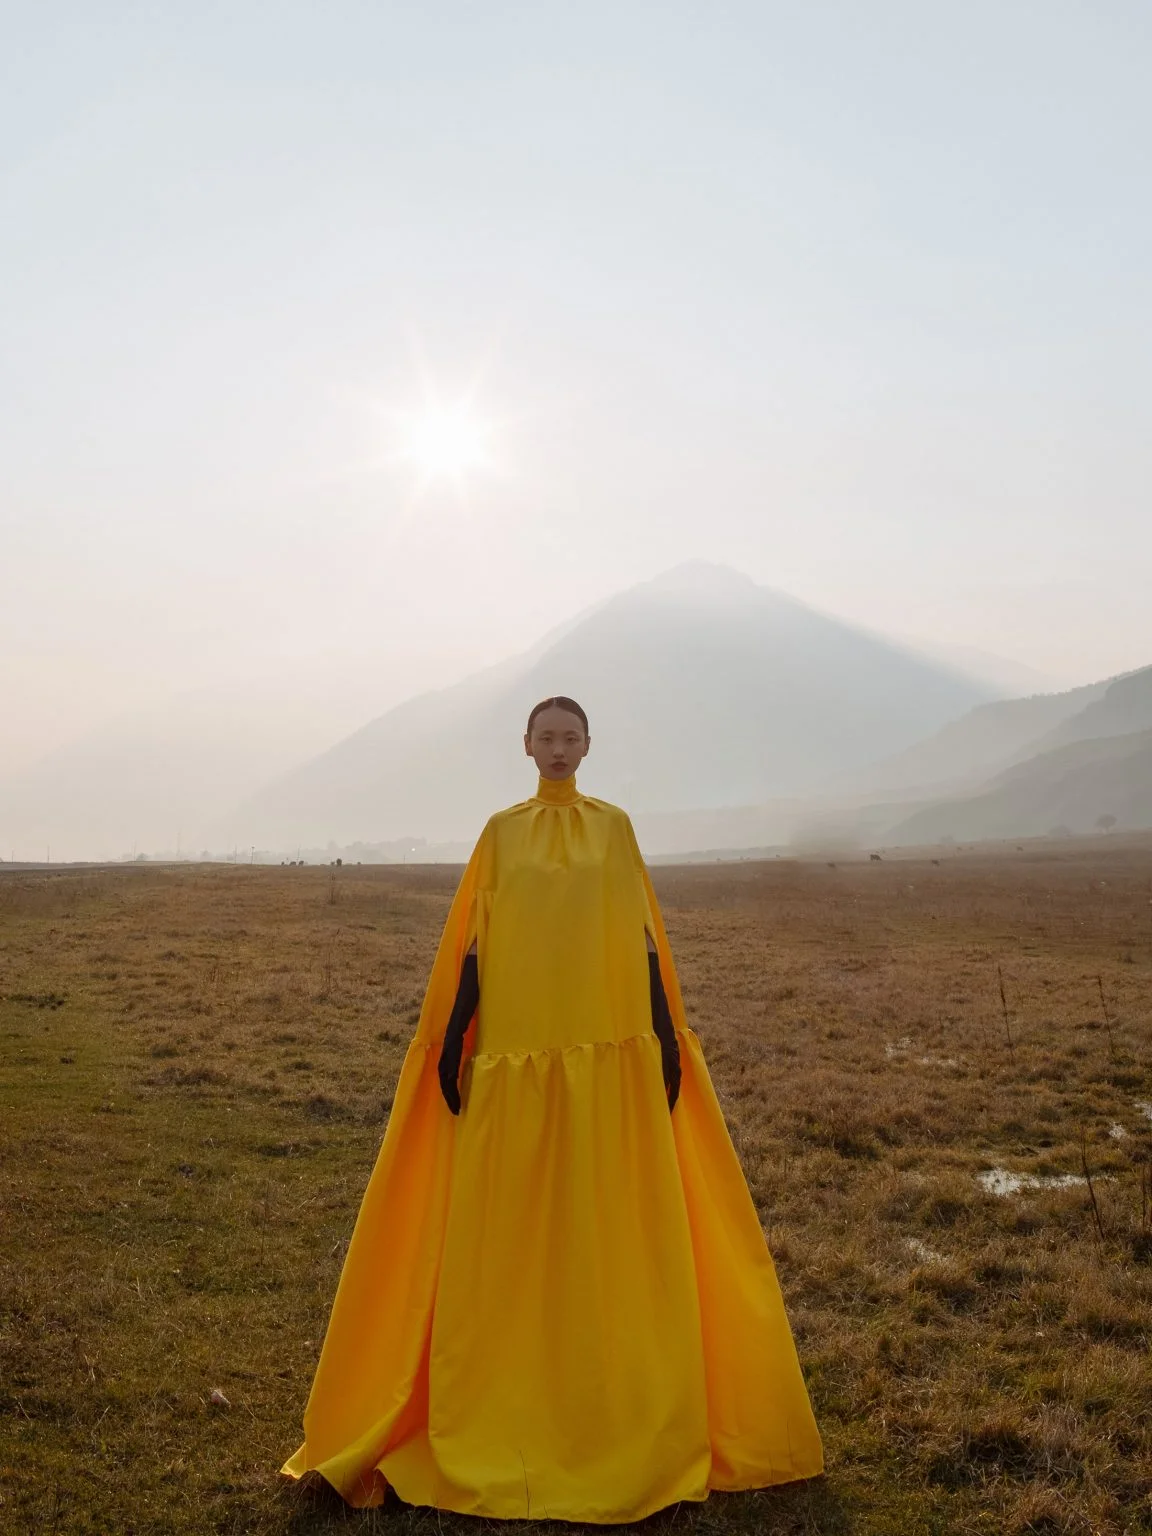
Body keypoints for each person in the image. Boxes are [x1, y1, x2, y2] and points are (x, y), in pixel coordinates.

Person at [281, 696, 823, 1521]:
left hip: (610, 1062)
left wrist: (665, 1038)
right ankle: (502, 1411)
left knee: (609, 1228)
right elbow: (472, 940)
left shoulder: (615, 829)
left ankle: (622, 1414)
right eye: (547, 738)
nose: (559, 749)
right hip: (516, 1062)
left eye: (571, 738)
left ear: (588, 745)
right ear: (526, 746)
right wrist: (460, 1030)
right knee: (507, 1237)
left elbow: (643, 939)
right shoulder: (500, 834)